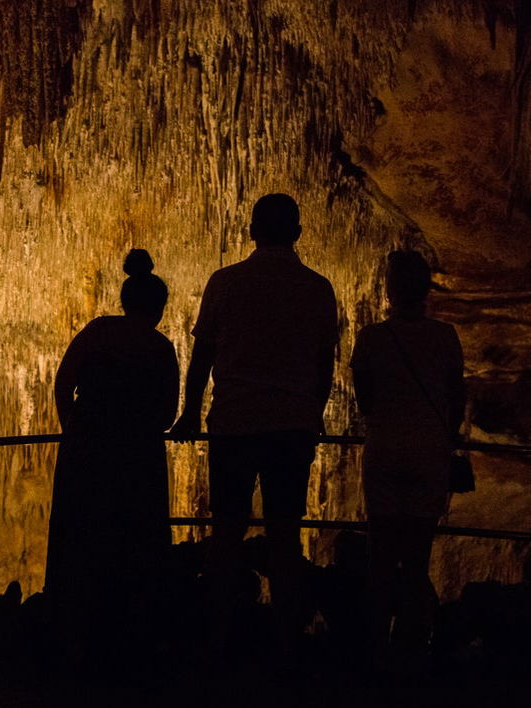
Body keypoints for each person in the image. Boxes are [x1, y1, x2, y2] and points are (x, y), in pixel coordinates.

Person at [170, 193, 338, 652]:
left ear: (251, 231)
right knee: (285, 534)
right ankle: (287, 637)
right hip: (291, 426)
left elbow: (202, 355)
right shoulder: (317, 288)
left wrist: (188, 412)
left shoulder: (226, 282)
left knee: (227, 531)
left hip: (235, 423)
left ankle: (218, 635)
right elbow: (326, 363)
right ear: (298, 233)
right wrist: (315, 411)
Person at [44, 248, 180, 663]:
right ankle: (131, 641)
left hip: (87, 451)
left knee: (82, 539)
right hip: (138, 457)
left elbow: (63, 382)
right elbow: (167, 412)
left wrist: (74, 430)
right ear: (158, 309)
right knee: (134, 543)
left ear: (124, 302)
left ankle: (75, 639)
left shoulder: (97, 331)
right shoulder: (160, 347)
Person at [350, 249, 465, 660]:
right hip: (429, 451)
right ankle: (412, 644)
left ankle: (374, 641)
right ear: (426, 290)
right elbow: (456, 395)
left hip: (384, 449)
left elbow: (364, 397)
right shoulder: (445, 337)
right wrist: (446, 435)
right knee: (417, 556)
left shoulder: (371, 338)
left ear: (389, 289)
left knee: (380, 553)